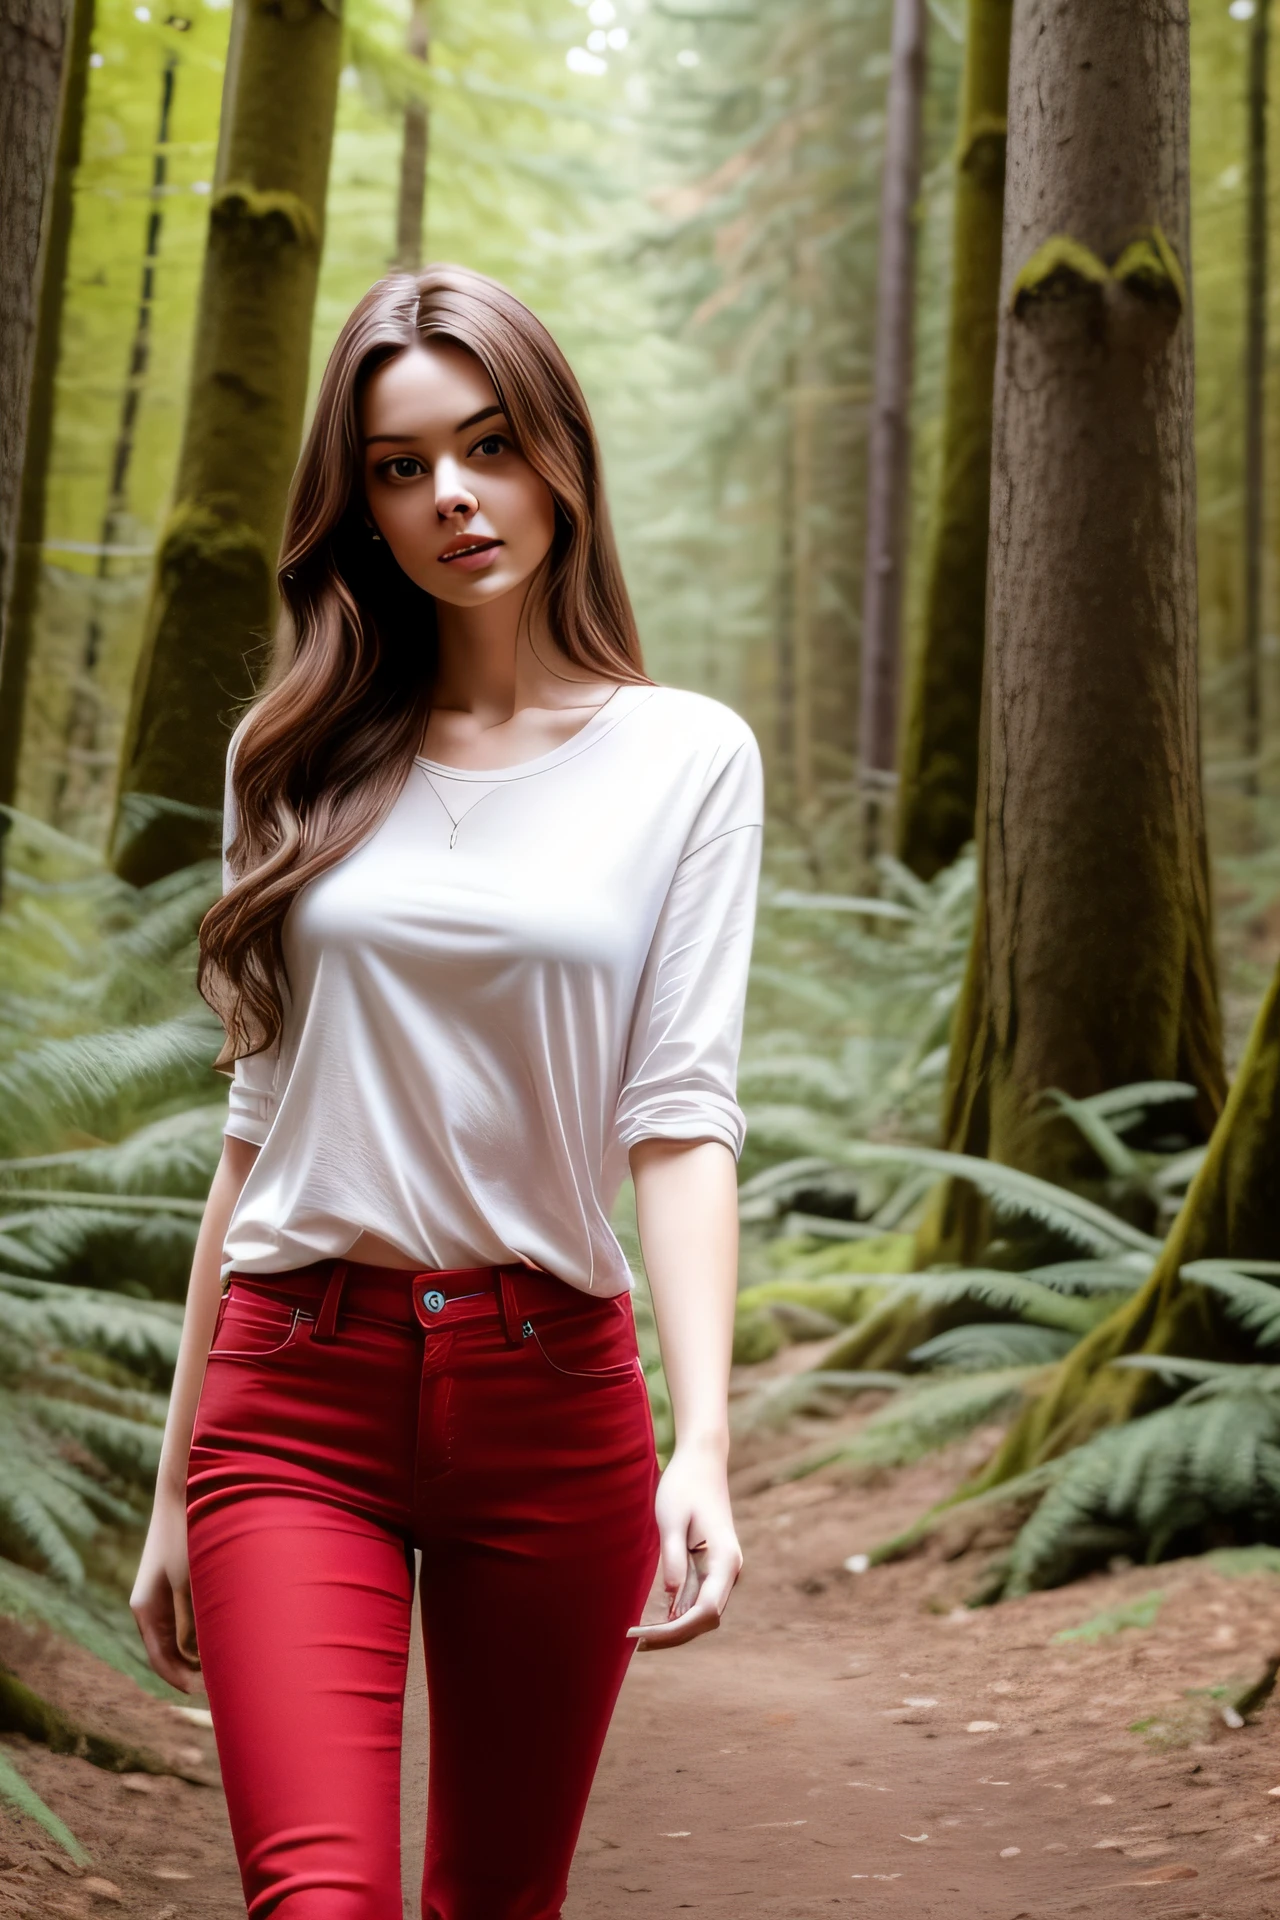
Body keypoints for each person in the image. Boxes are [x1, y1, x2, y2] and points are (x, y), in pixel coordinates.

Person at [129, 264, 764, 1920]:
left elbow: (681, 1114)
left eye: (486, 444)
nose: (453, 498)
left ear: (560, 451)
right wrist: (174, 1485)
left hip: (554, 1403)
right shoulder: (293, 748)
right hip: (291, 1399)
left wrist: (703, 1438)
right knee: (319, 1901)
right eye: (401, 467)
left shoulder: (687, 756)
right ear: (358, 507)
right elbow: (252, 1133)